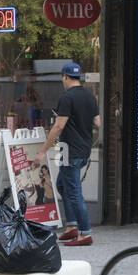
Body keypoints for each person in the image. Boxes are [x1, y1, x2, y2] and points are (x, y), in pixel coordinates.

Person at [32, 62, 99, 246]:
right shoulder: (90, 96)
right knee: (62, 185)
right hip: (83, 149)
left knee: (74, 192)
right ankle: (72, 226)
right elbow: (97, 123)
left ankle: (85, 233)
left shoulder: (67, 97)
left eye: (63, 78)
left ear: (65, 77)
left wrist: (42, 151)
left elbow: (59, 126)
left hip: (70, 150)